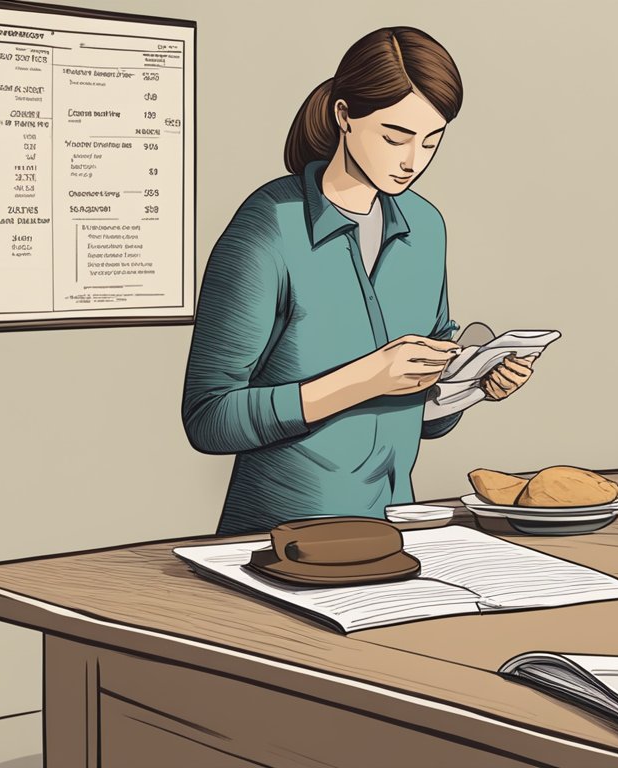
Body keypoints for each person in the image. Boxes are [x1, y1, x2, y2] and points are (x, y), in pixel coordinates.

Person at [182, 27, 535, 535]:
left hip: (396, 529)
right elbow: (209, 417)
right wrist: (366, 378)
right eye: (395, 137)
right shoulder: (269, 226)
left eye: (431, 141)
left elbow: (420, 415)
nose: (413, 161)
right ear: (344, 115)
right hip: (280, 540)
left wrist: (471, 385)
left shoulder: (426, 228)